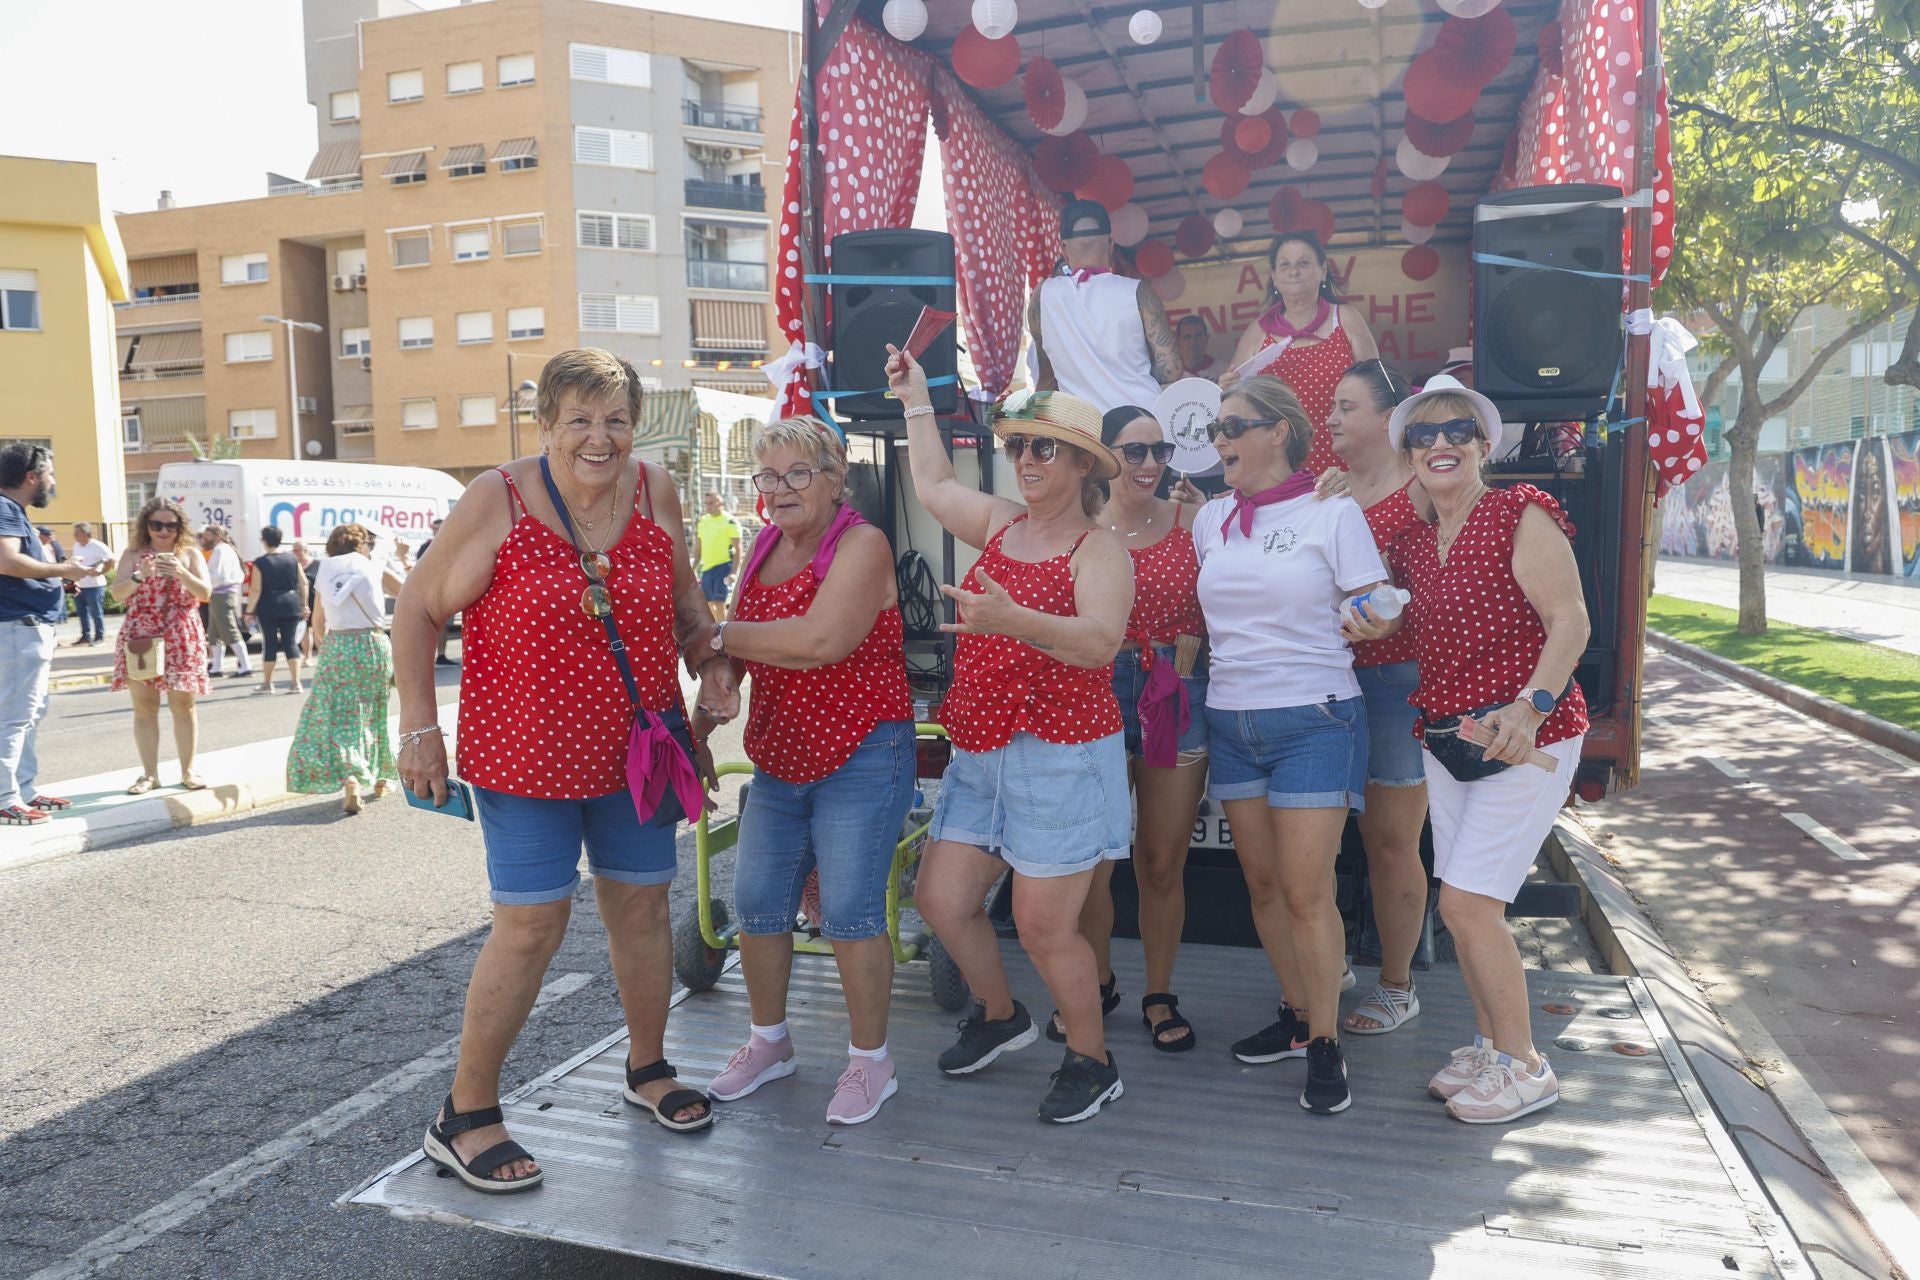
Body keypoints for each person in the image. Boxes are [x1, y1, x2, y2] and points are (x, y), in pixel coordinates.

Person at [394, 348, 732, 1193]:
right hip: (524, 754)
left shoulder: (655, 489)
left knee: (644, 909)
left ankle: (647, 1068)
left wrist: (709, 659)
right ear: (544, 423)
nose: (598, 437)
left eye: (615, 419)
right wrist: (418, 728)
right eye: (578, 418)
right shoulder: (498, 498)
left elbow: (685, 597)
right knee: (532, 925)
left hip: (639, 751)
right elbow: (417, 607)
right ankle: (464, 1114)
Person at [892, 344, 1136, 1124]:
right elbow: (930, 485)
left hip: (1063, 756)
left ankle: (1093, 1061)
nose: (1025, 459)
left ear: (1083, 467)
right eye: (1019, 445)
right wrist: (915, 398)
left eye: (1043, 448)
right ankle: (1001, 1017)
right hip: (985, 747)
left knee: (1042, 925)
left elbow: (1099, 642)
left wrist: (1010, 621)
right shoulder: (1001, 522)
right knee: (941, 897)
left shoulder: (1100, 550)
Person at [695, 416, 916, 1126]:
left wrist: (722, 635)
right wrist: (722, 676)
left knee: (851, 913)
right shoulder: (761, 545)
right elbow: (748, 647)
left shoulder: (863, 544)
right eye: (768, 476)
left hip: (862, 751)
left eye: (797, 474)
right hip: (783, 754)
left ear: (834, 478)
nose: (780, 489)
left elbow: (823, 639)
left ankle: (870, 1063)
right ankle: (769, 1044)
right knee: (757, 903)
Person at [1384, 375, 1590, 1124]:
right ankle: (1492, 1048)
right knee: (1460, 903)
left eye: (1456, 431)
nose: (1440, 443)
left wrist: (1530, 709)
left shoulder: (1517, 510)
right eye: (1423, 434)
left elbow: (1570, 620)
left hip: (1522, 740)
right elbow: (1420, 632)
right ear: (1407, 452)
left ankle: (1528, 1067)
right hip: (1450, 738)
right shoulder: (1414, 540)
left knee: (1471, 905)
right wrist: (1374, 626)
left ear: (1483, 444)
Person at [1191, 375, 1393, 1116]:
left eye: (1235, 426)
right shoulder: (1211, 519)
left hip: (1315, 717)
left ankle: (1328, 1044)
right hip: (1230, 721)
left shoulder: (1332, 509)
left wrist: (1375, 617)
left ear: (1279, 431)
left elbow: (1373, 603)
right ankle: (1299, 1016)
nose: (1220, 441)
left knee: (1308, 892)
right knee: (1266, 889)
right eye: (1216, 428)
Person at [1051, 405, 1211, 1054]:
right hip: (1095, 685)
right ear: (1104, 457)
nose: (1150, 464)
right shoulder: (1080, 528)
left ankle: (1159, 990)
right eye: (1135, 451)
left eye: (1160, 450)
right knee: (1093, 858)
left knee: (1161, 860)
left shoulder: (1194, 520)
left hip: (1172, 686)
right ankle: (1099, 982)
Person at [1326, 360, 1435, 1036]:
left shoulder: (1421, 485)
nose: (1331, 419)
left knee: (1391, 842)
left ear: (1386, 418)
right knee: (1321, 837)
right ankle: (1330, 960)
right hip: (1329, 681)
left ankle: (1397, 985)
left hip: (1398, 684)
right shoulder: (1326, 489)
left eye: (1345, 406)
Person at [1223, 232, 1381, 474]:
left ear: (1323, 270)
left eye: (1303, 263)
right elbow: (1233, 399)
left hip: (1346, 459)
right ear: (1274, 277)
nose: (1293, 271)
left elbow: (1377, 385)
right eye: (1285, 265)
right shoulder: (1258, 331)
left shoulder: (1345, 318)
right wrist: (1225, 387)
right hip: (1278, 466)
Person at [0, 445, 89, 824]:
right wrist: (63, 570)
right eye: (49, 475)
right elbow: (8, 561)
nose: (52, 483)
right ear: (31, 477)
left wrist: (57, 582)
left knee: (31, 713)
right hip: (20, 628)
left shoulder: (13, 511)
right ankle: (5, 797)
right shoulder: (5, 508)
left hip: (28, 627)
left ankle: (24, 788)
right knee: (14, 716)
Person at [286, 524, 401, 813]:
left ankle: (350, 776)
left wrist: (328, 646)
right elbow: (406, 589)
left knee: (339, 716)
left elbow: (318, 622)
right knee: (375, 712)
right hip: (373, 644)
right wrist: (401, 556)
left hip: (339, 646)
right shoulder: (371, 566)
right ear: (361, 544)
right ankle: (381, 778)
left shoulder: (326, 570)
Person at [1028, 199, 1183, 413]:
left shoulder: (1043, 296)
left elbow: (1046, 375)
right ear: (1111, 243)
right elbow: (1171, 370)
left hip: (1083, 428)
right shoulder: (1139, 291)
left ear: (1063, 248)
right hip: (1141, 420)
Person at [109, 498, 213, 794]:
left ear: (180, 527)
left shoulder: (191, 554)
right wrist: (141, 575)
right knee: (144, 708)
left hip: (182, 634)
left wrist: (181, 572)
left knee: (184, 706)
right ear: (146, 526)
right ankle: (149, 774)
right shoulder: (133, 555)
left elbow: (205, 593)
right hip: (142, 634)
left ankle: (188, 771)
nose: (164, 531)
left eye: (171, 525)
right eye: (157, 525)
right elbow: (117, 594)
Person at [245, 525, 308, 694]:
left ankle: (267, 684)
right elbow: (303, 583)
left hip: (269, 604)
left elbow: (256, 589)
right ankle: (296, 683)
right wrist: (304, 604)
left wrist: (249, 611)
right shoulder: (292, 559)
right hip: (291, 603)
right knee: (290, 643)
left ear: (264, 541)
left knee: (270, 643)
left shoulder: (261, 562)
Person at [199, 525, 251, 678]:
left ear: (218, 536)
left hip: (222, 593)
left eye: (207, 536)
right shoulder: (226, 549)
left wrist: (205, 581)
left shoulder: (220, 550)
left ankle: (245, 665)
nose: (204, 539)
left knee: (229, 629)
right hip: (221, 594)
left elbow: (219, 575)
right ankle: (216, 666)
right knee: (214, 632)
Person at [696, 491, 743, 621]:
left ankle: (723, 635)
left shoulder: (730, 522)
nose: (708, 506)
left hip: (723, 567)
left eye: (711, 503)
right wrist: (693, 567)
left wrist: (734, 572)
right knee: (709, 603)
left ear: (720, 503)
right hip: (706, 569)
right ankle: (716, 630)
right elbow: (698, 546)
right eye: (706, 503)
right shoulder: (703, 521)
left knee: (719, 602)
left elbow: (738, 549)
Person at [68, 522, 114, 647]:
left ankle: (99, 637)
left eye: (76, 532)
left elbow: (111, 559)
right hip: (80, 584)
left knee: (96, 612)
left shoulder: (97, 545)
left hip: (94, 585)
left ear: (85, 533)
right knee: (82, 612)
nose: (74, 535)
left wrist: (102, 572)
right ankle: (85, 636)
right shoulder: (76, 545)